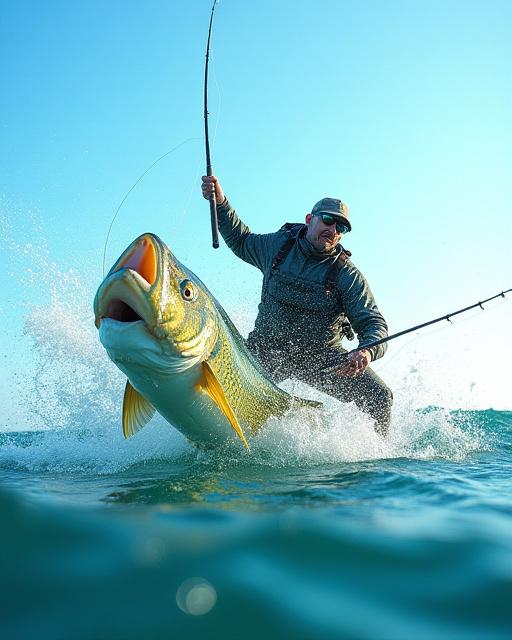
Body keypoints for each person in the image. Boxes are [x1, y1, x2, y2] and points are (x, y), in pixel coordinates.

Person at [201, 175, 393, 435]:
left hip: (323, 360)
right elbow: (242, 241)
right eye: (327, 220)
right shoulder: (277, 246)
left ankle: (378, 461)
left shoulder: (347, 275)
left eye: (341, 228)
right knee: (211, 394)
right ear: (309, 220)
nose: (333, 229)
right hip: (265, 351)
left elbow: (373, 323)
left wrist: (366, 352)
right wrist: (220, 202)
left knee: (380, 398)